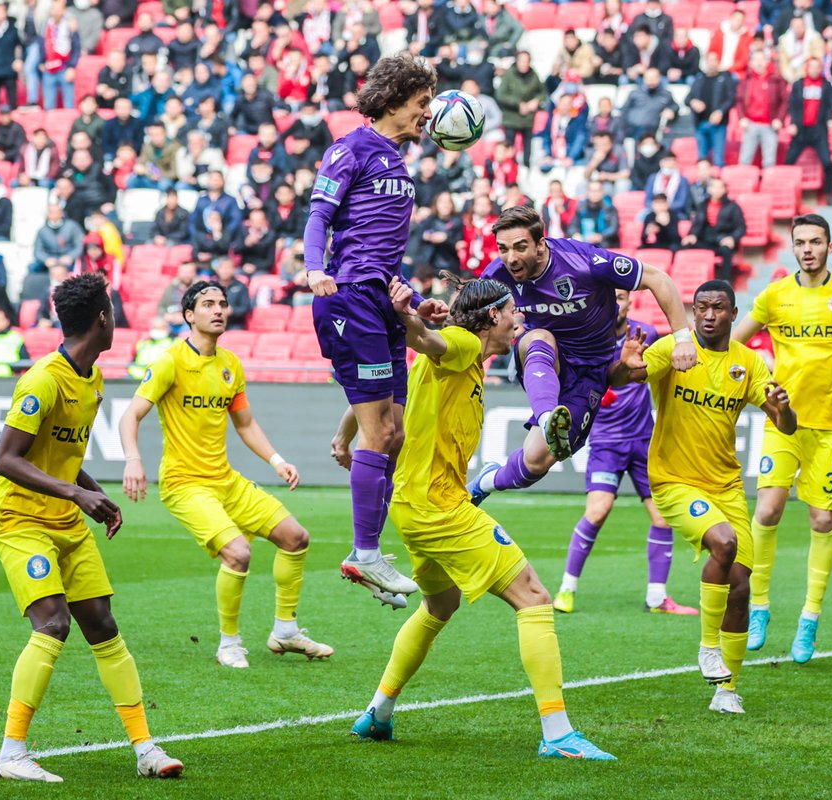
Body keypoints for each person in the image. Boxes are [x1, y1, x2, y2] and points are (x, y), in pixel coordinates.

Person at [347, 274, 615, 761]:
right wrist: (405, 315)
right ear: (494, 315)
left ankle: (377, 714)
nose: (519, 321)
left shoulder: (469, 362)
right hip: (439, 509)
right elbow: (429, 340)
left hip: (414, 507)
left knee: (440, 606)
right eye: (514, 312)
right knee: (533, 598)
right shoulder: (464, 343)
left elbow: (393, 380)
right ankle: (557, 733)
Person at [0, 272, 184, 783]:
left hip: (67, 518)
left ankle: (145, 749)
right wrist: (77, 493)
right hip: (19, 519)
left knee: (102, 625)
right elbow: (6, 460)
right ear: (102, 318)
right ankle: (10, 754)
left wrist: (93, 493)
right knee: (53, 624)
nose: (116, 317)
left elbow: (64, 455)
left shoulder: (91, 378)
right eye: (113, 309)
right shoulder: (41, 380)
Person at [120, 280, 332, 670]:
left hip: (225, 480)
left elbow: (246, 424)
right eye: (207, 304)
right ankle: (229, 643)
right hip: (185, 484)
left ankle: (285, 629)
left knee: (296, 537)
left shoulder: (230, 365)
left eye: (222, 303)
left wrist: (276, 460)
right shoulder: (169, 362)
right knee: (238, 552)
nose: (218, 310)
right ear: (189, 315)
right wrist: (133, 458)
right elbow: (130, 415)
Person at [303, 53, 449, 607]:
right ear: (393, 101)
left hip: (380, 296)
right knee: (381, 433)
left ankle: (369, 554)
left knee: (397, 433)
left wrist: (407, 291)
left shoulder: (397, 160)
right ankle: (365, 554)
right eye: (421, 104)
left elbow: (378, 242)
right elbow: (319, 216)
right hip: (350, 297)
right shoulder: (351, 149)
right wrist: (315, 267)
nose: (427, 115)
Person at [616, 279, 797, 714]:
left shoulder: (748, 364)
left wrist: (784, 407)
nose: (709, 314)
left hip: (726, 486)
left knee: (740, 586)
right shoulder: (675, 350)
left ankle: (726, 690)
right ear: (693, 312)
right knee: (725, 542)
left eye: (719, 307)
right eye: (701, 307)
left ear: (735, 315)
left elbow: (785, 425)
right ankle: (707, 647)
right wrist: (625, 364)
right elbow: (627, 376)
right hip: (675, 480)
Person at [731, 214, 832, 664]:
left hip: (831, 424)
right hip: (783, 420)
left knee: (822, 521)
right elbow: (737, 345)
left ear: (830, 246)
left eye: (815, 242)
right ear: (793, 247)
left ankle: (810, 618)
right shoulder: (775, 295)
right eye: (800, 242)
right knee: (767, 508)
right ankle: (758, 606)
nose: (807, 249)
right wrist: (756, 386)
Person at [466, 204, 696, 502]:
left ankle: (487, 481)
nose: (511, 258)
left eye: (520, 247)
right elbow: (470, 319)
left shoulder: (584, 261)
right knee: (539, 337)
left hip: (590, 374)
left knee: (535, 463)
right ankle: (549, 418)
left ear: (540, 245)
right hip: (544, 360)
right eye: (503, 248)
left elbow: (657, 278)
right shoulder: (497, 275)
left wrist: (682, 338)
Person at [554, 288, 696, 616]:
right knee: (598, 510)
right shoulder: (588, 339)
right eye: (609, 297)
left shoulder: (648, 333)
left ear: (630, 300)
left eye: (619, 296)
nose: (614, 303)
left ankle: (657, 598)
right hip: (606, 441)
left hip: (645, 440)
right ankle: (566, 589)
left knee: (662, 516)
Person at [785, 57, 832, 204]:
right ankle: (789, 194)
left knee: (827, 162)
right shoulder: (798, 84)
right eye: (811, 67)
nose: (814, 70)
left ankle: (830, 194)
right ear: (807, 68)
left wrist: (830, 119)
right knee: (789, 161)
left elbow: (829, 106)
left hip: (819, 131)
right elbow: (793, 106)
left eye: (817, 67)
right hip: (801, 130)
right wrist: (793, 123)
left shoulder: (826, 85)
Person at [683, 177, 746, 282]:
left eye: (720, 187)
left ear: (725, 189)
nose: (716, 190)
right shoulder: (702, 205)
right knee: (686, 245)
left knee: (727, 250)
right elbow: (697, 224)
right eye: (714, 187)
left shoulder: (733, 207)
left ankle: (725, 281)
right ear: (709, 189)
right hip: (705, 239)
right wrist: (692, 235)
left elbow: (741, 227)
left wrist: (732, 238)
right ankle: (689, 279)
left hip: (722, 240)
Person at [737, 51, 787, 169]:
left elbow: (785, 100)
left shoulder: (776, 79)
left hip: (769, 125)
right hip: (751, 124)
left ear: (767, 62)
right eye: (756, 60)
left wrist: (779, 119)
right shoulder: (747, 79)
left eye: (762, 60)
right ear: (751, 63)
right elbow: (739, 100)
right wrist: (741, 118)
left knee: (769, 162)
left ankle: (769, 186)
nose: (759, 63)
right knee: (744, 160)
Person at [495, 51, 544, 167]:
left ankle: (527, 168)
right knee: (510, 147)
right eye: (522, 61)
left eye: (527, 61)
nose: (524, 64)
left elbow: (542, 92)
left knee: (528, 147)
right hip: (511, 117)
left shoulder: (533, 74)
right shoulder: (509, 74)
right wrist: (518, 104)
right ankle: (509, 170)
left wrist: (535, 101)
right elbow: (501, 94)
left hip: (527, 118)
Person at [688, 56, 735, 167]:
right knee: (702, 158)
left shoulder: (725, 79)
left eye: (714, 60)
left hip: (718, 124)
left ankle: (717, 181)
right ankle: (702, 183)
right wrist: (693, 102)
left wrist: (720, 111)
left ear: (718, 63)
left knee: (718, 159)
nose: (711, 63)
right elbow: (688, 98)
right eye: (709, 60)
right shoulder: (699, 79)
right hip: (700, 122)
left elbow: (731, 98)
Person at [567, 180, 619, 249]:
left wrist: (600, 236)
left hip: (603, 243)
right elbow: (572, 226)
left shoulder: (609, 207)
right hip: (584, 242)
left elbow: (613, 229)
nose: (595, 193)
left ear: (602, 192)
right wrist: (575, 234)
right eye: (592, 191)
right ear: (587, 192)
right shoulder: (581, 207)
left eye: (597, 190)